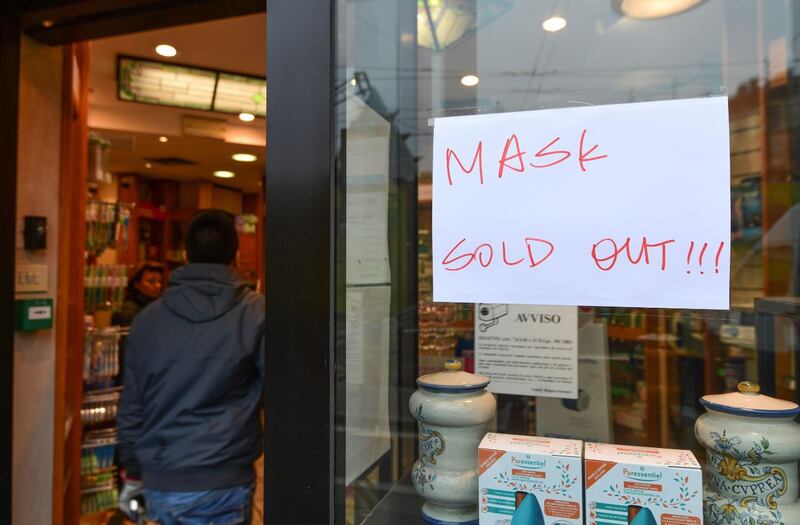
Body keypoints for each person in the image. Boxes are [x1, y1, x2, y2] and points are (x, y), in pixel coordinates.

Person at [117, 209, 265, 524]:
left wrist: (132, 472)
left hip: (161, 479)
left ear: (185, 255)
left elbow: (132, 405)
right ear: (235, 256)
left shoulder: (147, 320)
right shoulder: (255, 314)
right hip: (224, 477)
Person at [111, 262, 165, 327]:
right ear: (136, 283)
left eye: (160, 281)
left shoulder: (156, 305)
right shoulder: (129, 309)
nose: (157, 285)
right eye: (151, 281)